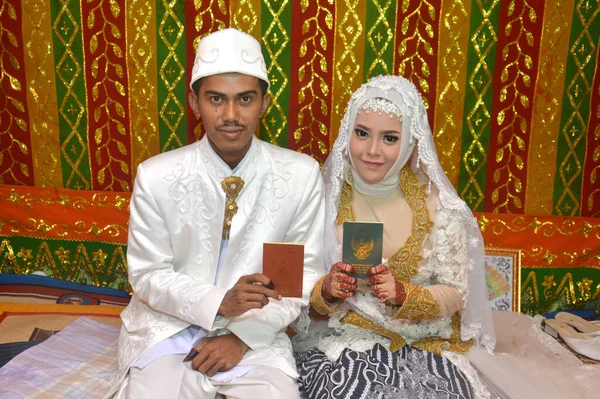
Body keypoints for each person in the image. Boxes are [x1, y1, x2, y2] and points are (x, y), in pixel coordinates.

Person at [104, 28, 326, 399]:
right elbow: (147, 274)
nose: (231, 115)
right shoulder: (157, 176)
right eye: (216, 99)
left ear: (264, 102)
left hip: (256, 330)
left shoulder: (299, 175)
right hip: (167, 326)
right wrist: (219, 302)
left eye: (245, 99)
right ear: (194, 103)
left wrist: (241, 337)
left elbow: (298, 277)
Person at [294, 75, 496, 399]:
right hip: (351, 341)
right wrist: (329, 290)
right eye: (362, 134)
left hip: (427, 346)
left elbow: (456, 292)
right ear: (348, 133)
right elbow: (300, 281)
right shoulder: (324, 198)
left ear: (412, 142)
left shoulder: (440, 207)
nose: (372, 150)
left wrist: (405, 294)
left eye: (389, 138)